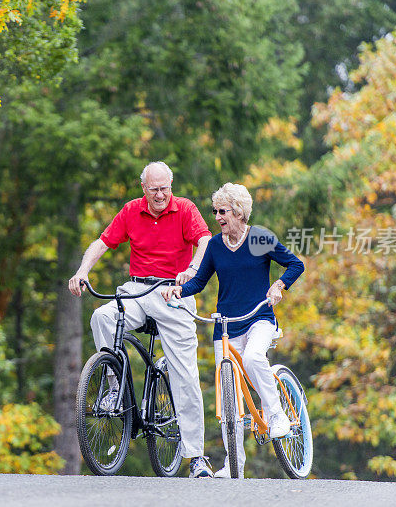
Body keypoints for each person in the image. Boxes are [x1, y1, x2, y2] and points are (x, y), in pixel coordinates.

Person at [68, 161, 214, 478]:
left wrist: (192, 270)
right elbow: (102, 242)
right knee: (102, 317)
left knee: (184, 374)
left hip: (173, 292)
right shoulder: (132, 210)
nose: (160, 195)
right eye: (154, 189)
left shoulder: (186, 209)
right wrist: (82, 271)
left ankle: (197, 457)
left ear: (170, 186)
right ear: (143, 187)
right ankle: (113, 387)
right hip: (137, 289)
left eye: (165, 188)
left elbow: (204, 241)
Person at [161, 182, 304, 479]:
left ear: (238, 212)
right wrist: (179, 291)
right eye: (214, 211)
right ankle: (233, 464)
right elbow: (199, 282)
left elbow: (294, 264)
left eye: (222, 211)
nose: (217, 217)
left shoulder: (258, 239)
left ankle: (276, 414)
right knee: (229, 400)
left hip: (259, 318)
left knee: (253, 358)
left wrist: (278, 286)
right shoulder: (214, 245)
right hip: (225, 326)